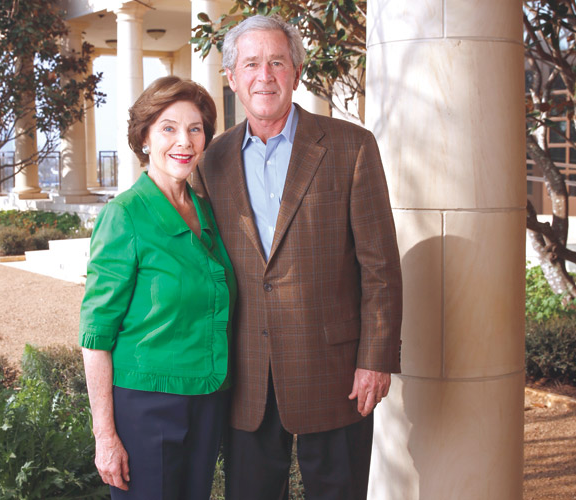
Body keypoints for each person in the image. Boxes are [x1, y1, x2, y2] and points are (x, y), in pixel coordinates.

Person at [193, 15, 402, 499]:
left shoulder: (351, 147)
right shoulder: (212, 162)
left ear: (297, 71)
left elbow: (381, 268)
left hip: (336, 374)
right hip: (246, 377)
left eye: (276, 62)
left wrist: (376, 358)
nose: (264, 75)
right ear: (231, 77)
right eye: (251, 64)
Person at [79, 76, 236, 500]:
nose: (183, 141)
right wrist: (105, 436)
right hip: (146, 409)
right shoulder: (124, 215)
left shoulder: (205, 209)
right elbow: (95, 336)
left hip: (205, 401)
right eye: (168, 128)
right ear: (145, 138)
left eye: (195, 128)